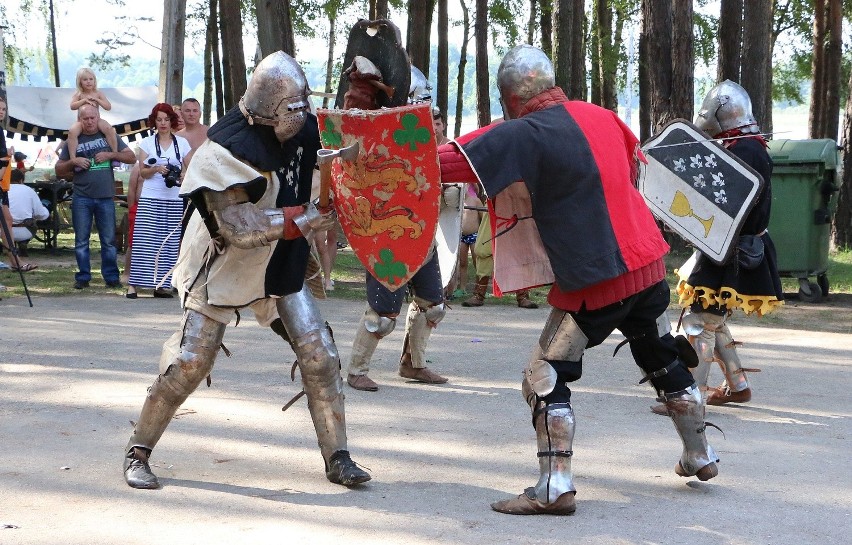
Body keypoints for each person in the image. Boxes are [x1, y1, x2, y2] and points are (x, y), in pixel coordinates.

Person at [439, 45, 718, 515]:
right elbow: (633, 167)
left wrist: (384, 154)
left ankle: (554, 486)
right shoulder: (603, 115)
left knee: (545, 374)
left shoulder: (523, 132)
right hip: (647, 267)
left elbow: (447, 163)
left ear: (510, 98)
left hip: (597, 280)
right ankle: (699, 453)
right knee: (661, 358)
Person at [122, 51, 370, 490]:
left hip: (280, 261)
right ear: (268, 108)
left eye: (303, 103)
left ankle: (338, 456)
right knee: (189, 362)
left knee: (321, 355)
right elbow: (238, 227)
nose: (302, 113)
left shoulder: (307, 130)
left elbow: (331, 166)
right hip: (223, 262)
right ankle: (137, 451)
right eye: (292, 106)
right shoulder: (223, 150)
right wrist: (307, 218)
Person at [663, 80, 783, 408]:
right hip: (728, 247)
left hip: (733, 250)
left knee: (700, 322)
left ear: (722, 114)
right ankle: (738, 384)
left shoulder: (745, 150)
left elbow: (731, 207)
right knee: (711, 318)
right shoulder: (745, 146)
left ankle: (690, 397)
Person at [343, 61, 449, 392]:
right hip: (385, 234)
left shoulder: (427, 133)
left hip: (421, 229)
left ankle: (413, 365)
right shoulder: (374, 134)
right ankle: (356, 370)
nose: (423, 108)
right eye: (417, 100)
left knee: (434, 306)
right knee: (383, 314)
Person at [55, 104, 136, 289]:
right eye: (86, 119)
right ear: (80, 120)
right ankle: (83, 277)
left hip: (106, 197)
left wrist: (110, 154)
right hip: (81, 197)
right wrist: (73, 162)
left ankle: (111, 277)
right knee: (81, 240)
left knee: (108, 240)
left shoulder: (108, 134)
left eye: (93, 118)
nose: (90, 122)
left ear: (98, 117)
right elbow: (58, 170)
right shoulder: (73, 139)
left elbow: (132, 157)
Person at [125, 103, 191, 299]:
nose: (163, 123)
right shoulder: (146, 143)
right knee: (144, 241)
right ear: (154, 122)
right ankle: (133, 284)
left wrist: (182, 175)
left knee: (168, 243)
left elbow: (190, 168)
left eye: (166, 119)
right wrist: (156, 169)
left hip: (173, 198)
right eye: (159, 120)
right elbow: (143, 172)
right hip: (151, 197)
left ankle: (161, 285)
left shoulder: (182, 144)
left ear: (172, 121)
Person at [67, 67, 119, 163]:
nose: (88, 82)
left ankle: (114, 154)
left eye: (91, 79)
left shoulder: (98, 93)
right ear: (80, 82)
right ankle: (73, 159)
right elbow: (72, 106)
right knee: (72, 132)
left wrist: (98, 100)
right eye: (85, 79)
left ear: (95, 81)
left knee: (109, 129)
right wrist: (83, 101)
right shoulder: (79, 94)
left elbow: (108, 107)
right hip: (81, 122)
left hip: (97, 120)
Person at [7, 169, 49, 257]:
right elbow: (41, 214)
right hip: (25, 231)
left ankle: (6, 246)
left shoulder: (3, 190)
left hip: (3, 231)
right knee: (32, 220)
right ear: (22, 180)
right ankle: (23, 242)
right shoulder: (29, 190)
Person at [121, 161, 143, 284]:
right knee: (133, 242)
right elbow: (131, 189)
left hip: (160, 208)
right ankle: (127, 273)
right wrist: (132, 209)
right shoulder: (138, 166)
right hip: (138, 208)